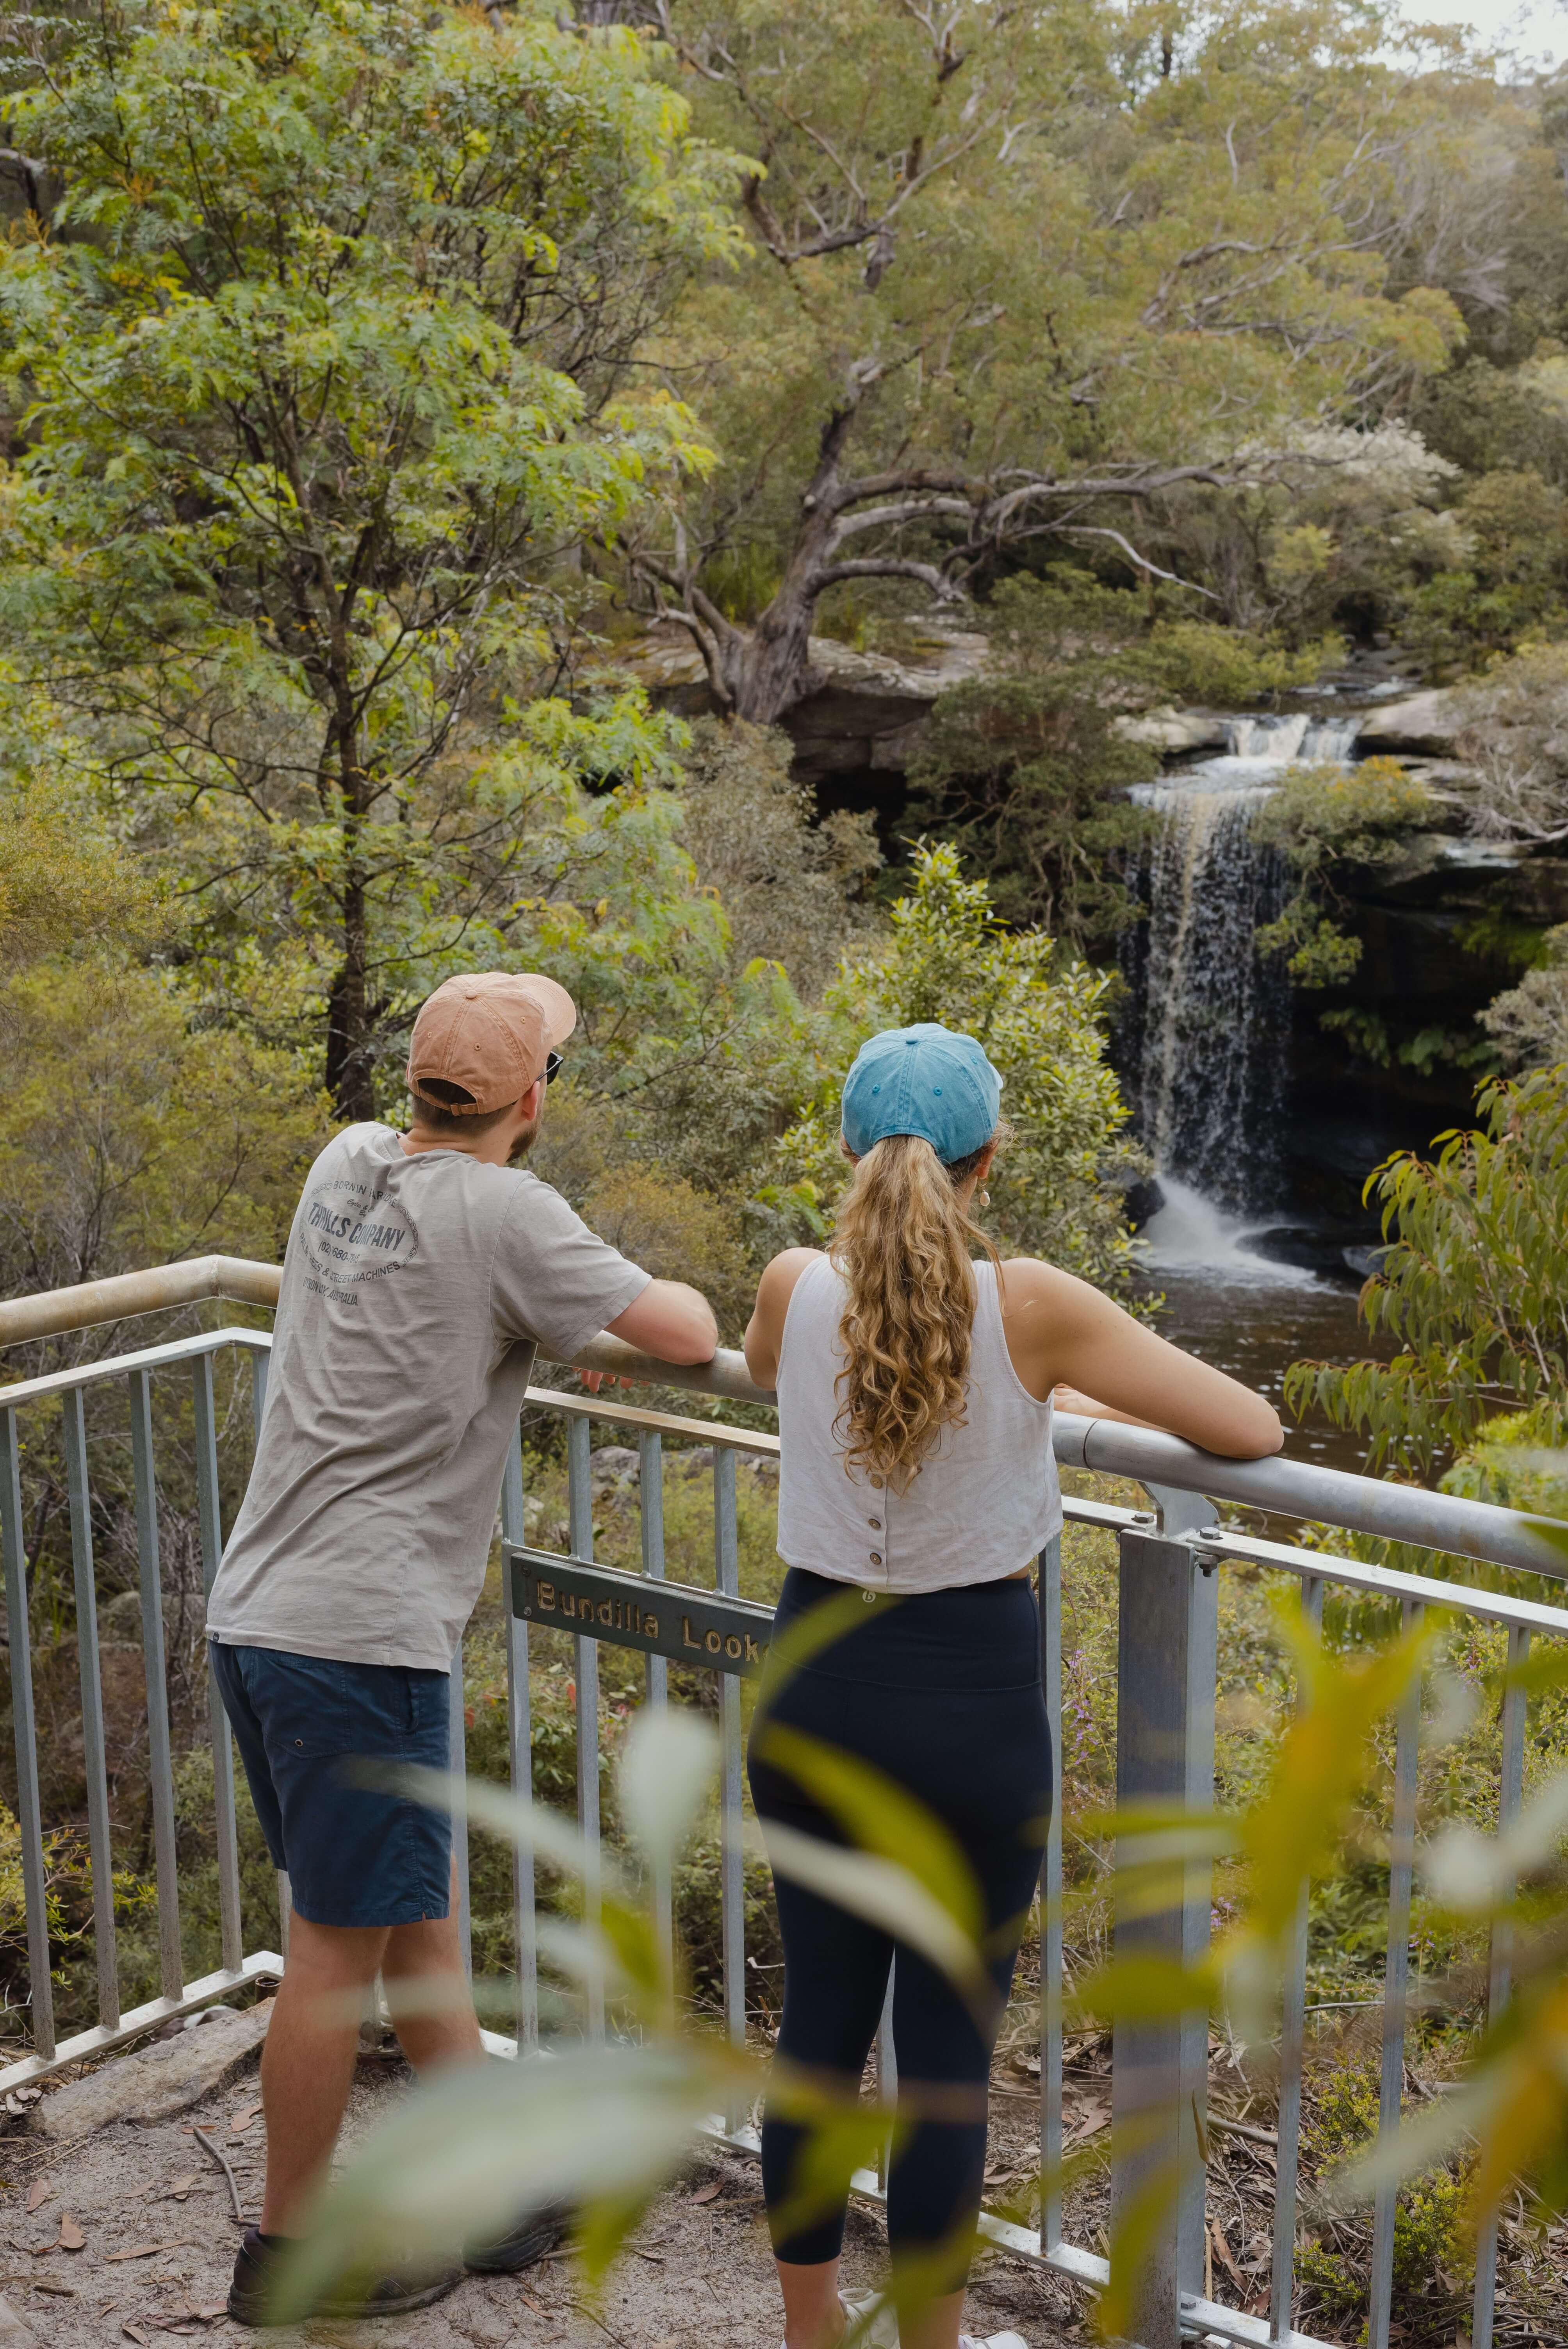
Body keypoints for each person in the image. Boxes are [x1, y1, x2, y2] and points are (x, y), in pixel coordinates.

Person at [743, 1023, 1282, 2349]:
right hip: (970, 1711)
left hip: (813, 1691)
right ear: (990, 1158)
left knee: (815, 2032)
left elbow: (762, 1370)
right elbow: (1250, 1432)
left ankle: (810, 2337)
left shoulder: (791, 1283)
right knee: (941, 2063)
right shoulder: (1031, 1304)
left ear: (850, 1153)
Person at [205, 971, 718, 2326]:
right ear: (532, 1097)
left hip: (264, 1609)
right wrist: (577, 1317)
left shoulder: (346, 1160)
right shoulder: (509, 1211)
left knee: (410, 1919)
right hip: (359, 1638)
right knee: (330, 1956)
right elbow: (690, 1334)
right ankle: (290, 2256)